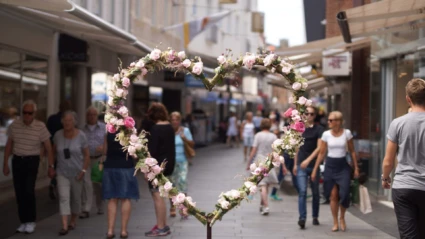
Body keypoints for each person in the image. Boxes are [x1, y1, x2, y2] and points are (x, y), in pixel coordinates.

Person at [382, 78, 425, 239]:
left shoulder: (398, 123)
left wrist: (385, 178)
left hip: (404, 186)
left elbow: (388, 160)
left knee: (408, 235)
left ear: (408, 99)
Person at [2, 100, 54, 234]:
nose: (27, 116)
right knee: (19, 192)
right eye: (24, 113)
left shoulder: (40, 126)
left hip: (32, 161)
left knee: (29, 190)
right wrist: (5, 164)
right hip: (18, 160)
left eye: (30, 113)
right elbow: (9, 145)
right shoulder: (15, 126)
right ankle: (23, 221)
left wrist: (51, 165)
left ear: (34, 114)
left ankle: (31, 220)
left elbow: (48, 147)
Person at [311, 111, 359, 232]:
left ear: (338, 122)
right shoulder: (326, 134)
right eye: (328, 120)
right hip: (330, 166)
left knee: (344, 193)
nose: (328, 122)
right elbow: (322, 153)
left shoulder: (346, 133)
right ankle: (335, 222)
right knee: (333, 195)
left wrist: (356, 167)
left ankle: (342, 217)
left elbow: (352, 151)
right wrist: (315, 169)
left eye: (331, 120)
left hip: (343, 166)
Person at [52, 111, 90, 236]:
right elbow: (53, 152)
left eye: (70, 121)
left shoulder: (81, 136)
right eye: (65, 121)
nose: (67, 123)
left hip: (77, 173)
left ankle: (73, 220)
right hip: (62, 172)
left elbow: (86, 155)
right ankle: (64, 226)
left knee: (76, 200)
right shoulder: (57, 135)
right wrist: (51, 166)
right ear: (62, 122)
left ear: (74, 122)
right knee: (63, 197)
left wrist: (83, 171)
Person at [144, 103, 176, 237]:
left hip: (157, 168)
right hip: (168, 166)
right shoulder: (169, 127)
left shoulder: (155, 129)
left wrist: (147, 169)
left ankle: (161, 227)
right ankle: (163, 225)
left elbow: (152, 151)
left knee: (157, 196)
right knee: (161, 195)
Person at [102, 131, 139, 239]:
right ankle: (123, 231)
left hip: (110, 167)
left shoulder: (108, 133)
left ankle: (110, 231)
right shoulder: (130, 134)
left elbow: (104, 151)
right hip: (126, 167)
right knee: (125, 198)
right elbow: (134, 154)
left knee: (112, 199)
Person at [246, 118, 286, 215]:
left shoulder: (258, 135)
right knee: (265, 185)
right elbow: (277, 151)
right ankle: (262, 205)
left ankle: (266, 206)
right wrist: (283, 165)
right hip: (269, 161)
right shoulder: (273, 136)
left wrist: (249, 163)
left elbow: (253, 150)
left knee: (262, 185)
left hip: (259, 161)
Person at [293, 106, 324, 229]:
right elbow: (297, 148)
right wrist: (296, 163)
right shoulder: (299, 129)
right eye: (307, 113)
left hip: (314, 165)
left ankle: (315, 216)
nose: (309, 116)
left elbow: (319, 148)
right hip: (301, 165)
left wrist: (308, 160)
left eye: (311, 114)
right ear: (303, 115)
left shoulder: (319, 129)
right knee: (302, 191)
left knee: (315, 192)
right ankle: (302, 218)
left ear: (315, 116)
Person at [80, 107, 105, 218]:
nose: (91, 116)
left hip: (99, 159)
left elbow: (109, 143)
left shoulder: (104, 128)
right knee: (87, 183)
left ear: (97, 116)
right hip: (86, 159)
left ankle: (100, 205)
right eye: (89, 114)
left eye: (93, 114)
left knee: (98, 184)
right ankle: (86, 208)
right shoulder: (82, 130)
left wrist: (103, 147)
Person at [169, 111, 194, 219]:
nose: (175, 122)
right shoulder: (168, 131)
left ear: (180, 121)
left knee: (182, 182)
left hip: (182, 160)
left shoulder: (185, 130)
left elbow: (192, 144)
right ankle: (173, 207)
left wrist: (184, 138)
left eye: (177, 119)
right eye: (173, 120)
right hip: (171, 161)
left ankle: (184, 208)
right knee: (171, 185)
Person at [46, 100, 72, 200]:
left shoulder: (52, 118)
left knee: (54, 165)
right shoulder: (67, 120)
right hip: (64, 147)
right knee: (62, 166)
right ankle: (59, 184)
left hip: (52, 146)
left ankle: (54, 183)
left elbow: (47, 134)